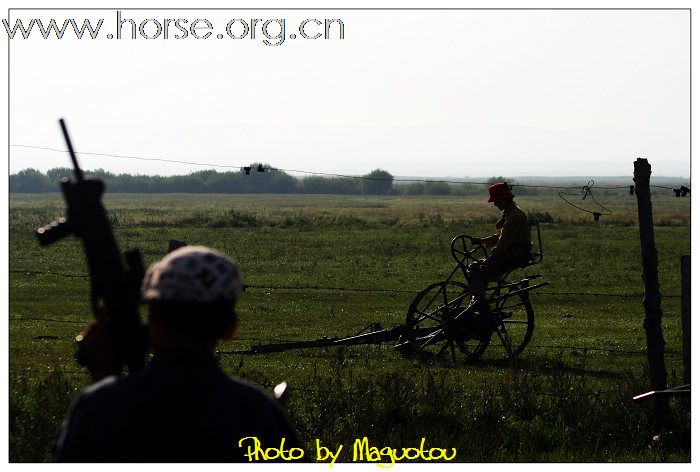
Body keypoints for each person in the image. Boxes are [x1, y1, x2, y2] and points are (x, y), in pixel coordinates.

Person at [55, 246, 302, 462]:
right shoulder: (257, 413)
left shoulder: (100, 407)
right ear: (230, 328)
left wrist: (103, 376)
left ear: (151, 318)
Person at [468, 182, 532, 314]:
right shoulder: (510, 214)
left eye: (496, 201)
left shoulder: (515, 216)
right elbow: (502, 236)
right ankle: (478, 302)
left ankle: (479, 305)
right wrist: (482, 241)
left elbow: (504, 243)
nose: (495, 204)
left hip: (515, 254)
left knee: (477, 269)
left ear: (504, 199)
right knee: (476, 267)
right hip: (513, 252)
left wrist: (492, 257)